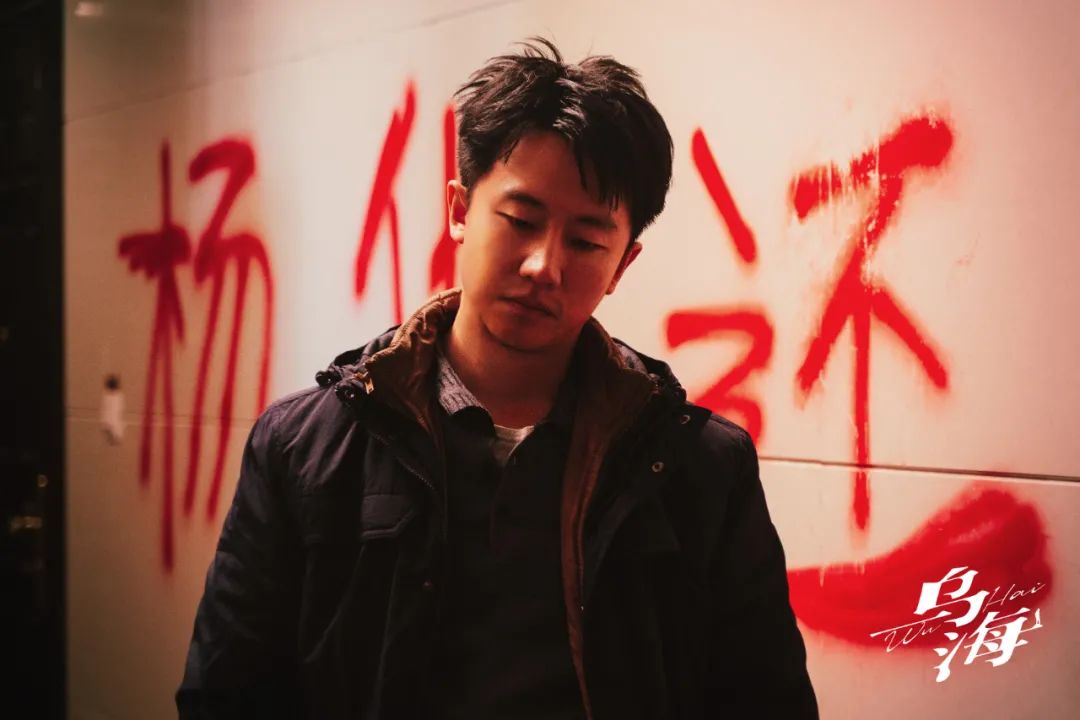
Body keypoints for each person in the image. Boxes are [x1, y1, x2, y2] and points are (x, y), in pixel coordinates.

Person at [177, 37, 817, 719]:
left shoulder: (698, 470)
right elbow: (226, 696)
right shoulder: (302, 449)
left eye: (586, 241)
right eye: (521, 220)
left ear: (622, 265)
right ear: (459, 210)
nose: (544, 265)